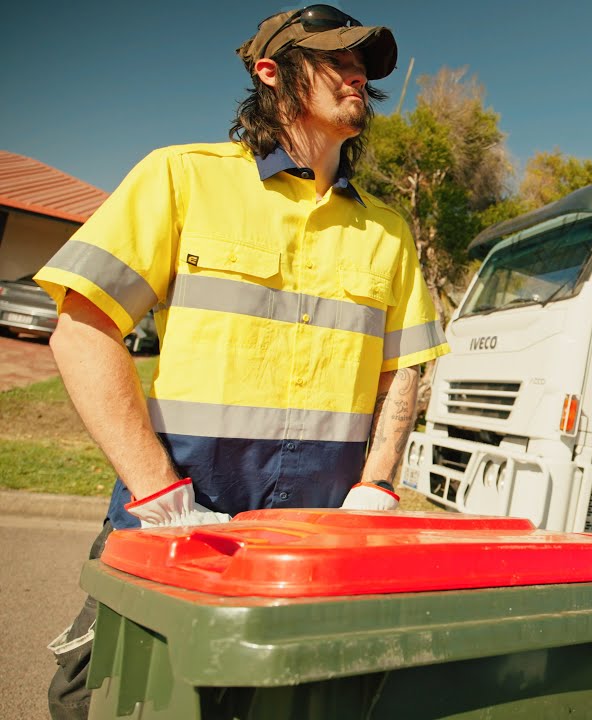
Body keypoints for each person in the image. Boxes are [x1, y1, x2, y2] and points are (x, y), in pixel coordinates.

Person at [36, 6, 449, 718]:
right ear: (271, 73)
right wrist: (160, 496)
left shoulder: (388, 230)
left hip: (315, 543)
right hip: (173, 521)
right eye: (336, 60)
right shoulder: (180, 177)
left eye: (362, 66)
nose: (357, 76)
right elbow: (82, 331)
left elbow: (401, 370)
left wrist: (378, 485)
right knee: (104, 702)